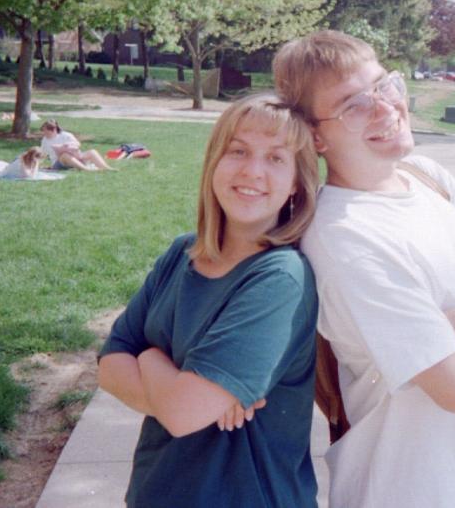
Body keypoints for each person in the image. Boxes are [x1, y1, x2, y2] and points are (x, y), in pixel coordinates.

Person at [273, 30, 455, 508]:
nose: (386, 108)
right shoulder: (344, 237)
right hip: (413, 490)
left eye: (384, 86)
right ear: (315, 134)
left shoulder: (426, 178)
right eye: (354, 105)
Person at [97, 93, 320, 508]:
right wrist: (181, 394)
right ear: (215, 161)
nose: (252, 171)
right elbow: (109, 366)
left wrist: (147, 358)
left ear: (295, 184)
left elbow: (183, 414)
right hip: (155, 491)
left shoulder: (280, 278)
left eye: (276, 158)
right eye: (238, 151)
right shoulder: (181, 254)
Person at [39, 119, 115, 171]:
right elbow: (42, 154)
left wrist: (68, 147)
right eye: (43, 130)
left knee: (92, 151)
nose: (44, 132)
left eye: (45, 130)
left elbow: (77, 144)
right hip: (59, 162)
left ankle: (106, 168)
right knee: (65, 155)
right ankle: (86, 170)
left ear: (53, 129)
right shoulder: (45, 140)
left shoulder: (66, 135)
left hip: (75, 156)